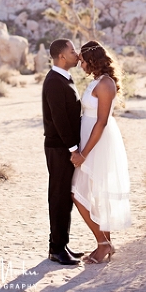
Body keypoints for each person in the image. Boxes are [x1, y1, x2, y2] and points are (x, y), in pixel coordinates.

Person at [70, 40, 132, 263]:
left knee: (77, 193)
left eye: (83, 61)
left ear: (92, 61)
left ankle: (103, 243)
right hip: (88, 139)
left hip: (98, 142)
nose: (81, 65)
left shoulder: (105, 84)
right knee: (94, 192)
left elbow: (102, 122)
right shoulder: (97, 80)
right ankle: (105, 243)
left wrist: (84, 153)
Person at [42, 39, 84, 265]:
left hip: (63, 147)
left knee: (64, 197)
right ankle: (56, 249)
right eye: (72, 51)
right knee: (58, 197)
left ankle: (61, 245)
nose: (77, 54)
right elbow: (59, 120)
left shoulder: (63, 78)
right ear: (62, 57)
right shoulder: (54, 82)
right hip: (59, 148)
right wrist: (73, 149)